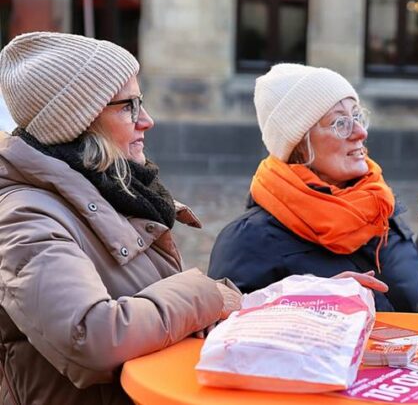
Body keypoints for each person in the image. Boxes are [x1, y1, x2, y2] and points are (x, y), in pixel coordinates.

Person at [0, 33, 383, 405]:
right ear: (78, 121)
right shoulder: (25, 216)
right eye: (128, 105)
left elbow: (174, 322)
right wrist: (206, 294)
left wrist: (298, 298)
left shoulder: (113, 191)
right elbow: (91, 335)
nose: (146, 119)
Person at [208, 63, 418, 313]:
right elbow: (227, 337)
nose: (360, 132)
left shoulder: (377, 209)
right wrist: (314, 301)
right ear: (299, 145)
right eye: (340, 123)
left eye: (357, 116)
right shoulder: (247, 241)